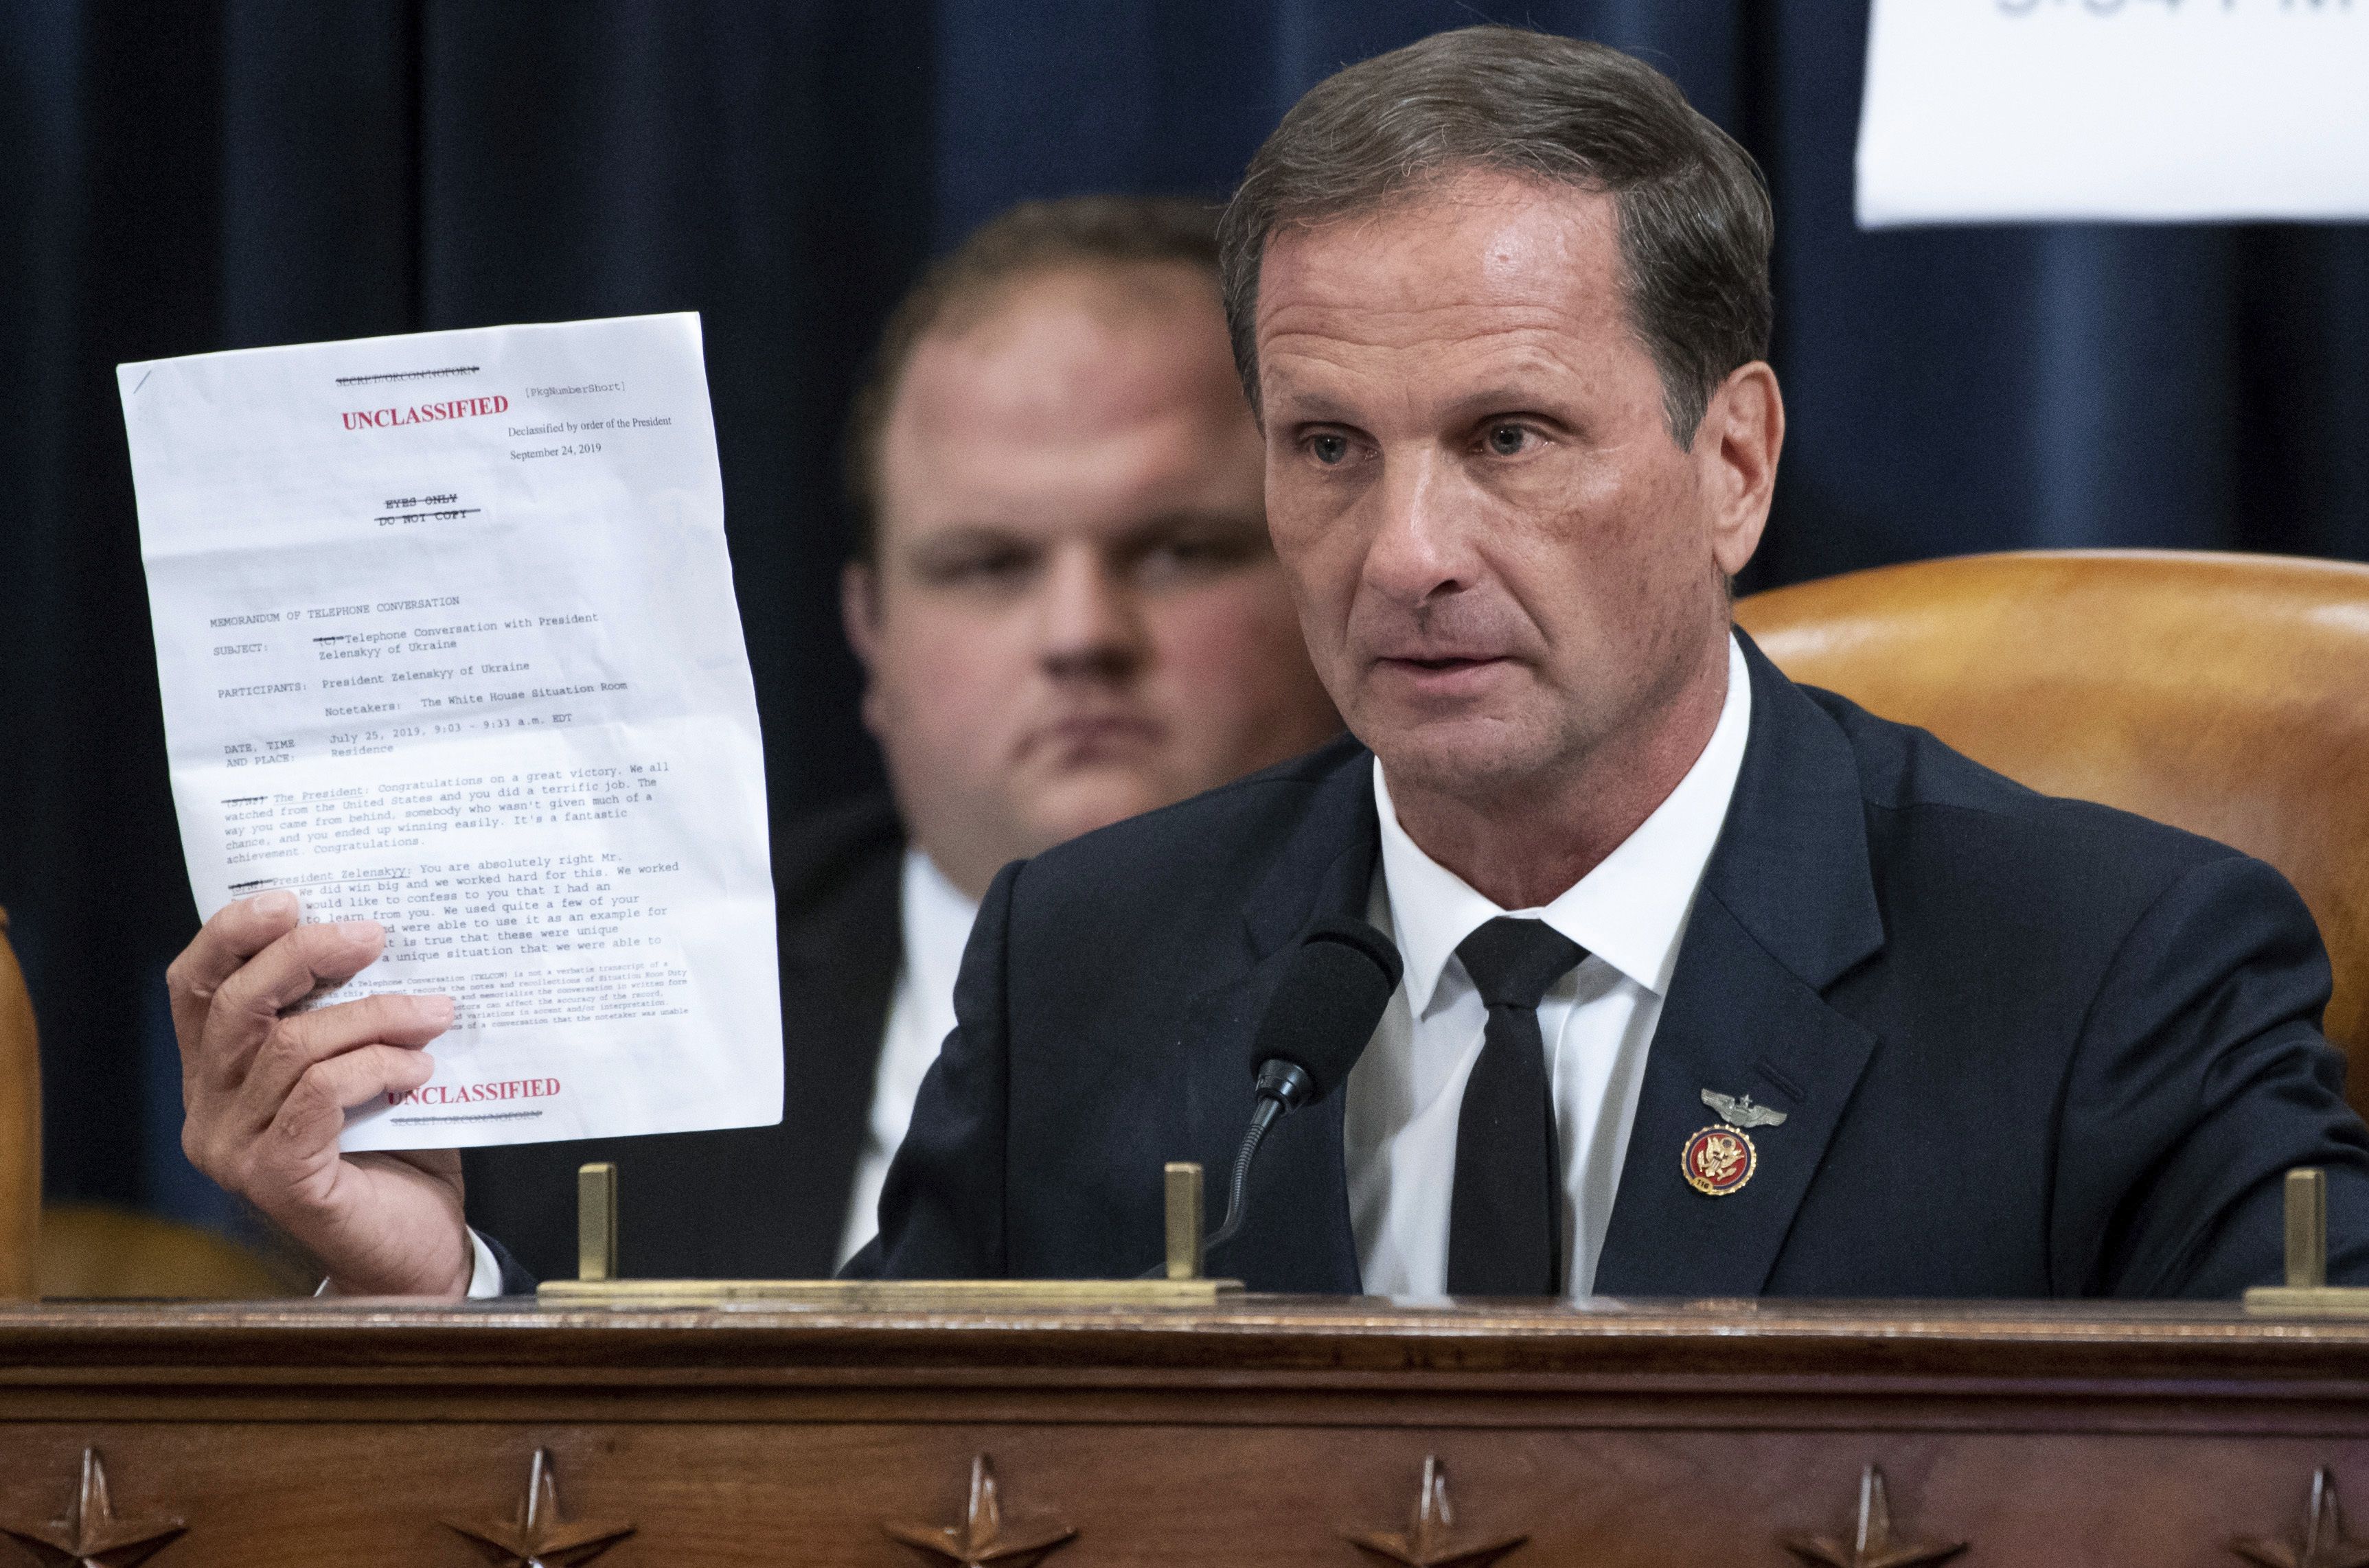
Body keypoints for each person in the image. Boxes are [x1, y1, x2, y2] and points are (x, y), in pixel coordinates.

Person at [173, 27, 2369, 1302]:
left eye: (1507, 439)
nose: (1406, 549)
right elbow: (830, 1485)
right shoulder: (1092, 962)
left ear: (1733, 460)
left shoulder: (2114, 966)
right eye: (1326, 449)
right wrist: (436, 1279)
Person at [166, 196, 1339, 1295]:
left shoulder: (1471, 987)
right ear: (869, 634)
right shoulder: (528, 1049)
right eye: (987, 565)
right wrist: (447, 1292)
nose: (1082, 635)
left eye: (1180, 549)